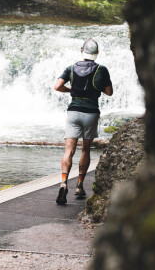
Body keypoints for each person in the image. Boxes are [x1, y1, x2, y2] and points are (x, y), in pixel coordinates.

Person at [54, 38, 113, 205]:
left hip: (73, 112)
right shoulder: (102, 70)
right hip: (91, 113)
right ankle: (79, 185)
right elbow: (109, 92)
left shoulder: (71, 68)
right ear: (97, 53)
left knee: (69, 150)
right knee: (85, 149)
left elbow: (57, 86)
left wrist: (71, 89)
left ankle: (64, 182)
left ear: (82, 50)